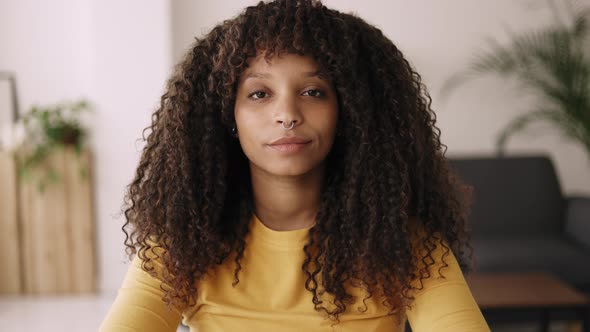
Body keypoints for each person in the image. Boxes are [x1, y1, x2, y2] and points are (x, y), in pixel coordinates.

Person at [99, 0, 491, 331]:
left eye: (312, 92)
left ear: (347, 113)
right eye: (259, 93)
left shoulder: (401, 240)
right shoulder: (183, 242)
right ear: (226, 115)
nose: (287, 113)